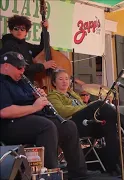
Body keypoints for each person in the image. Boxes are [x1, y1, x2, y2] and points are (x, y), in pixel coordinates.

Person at [0, 51, 97, 179]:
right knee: (47, 126)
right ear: (6, 66)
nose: (23, 70)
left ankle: (79, 173)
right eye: (19, 67)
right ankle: (50, 174)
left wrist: (37, 96)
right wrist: (34, 107)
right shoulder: (2, 83)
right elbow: (4, 111)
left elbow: (32, 101)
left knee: (68, 126)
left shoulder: (21, 81)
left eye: (24, 67)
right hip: (10, 125)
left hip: (31, 119)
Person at [46, 69, 120, 176]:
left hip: (88, 123)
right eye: (60, 79)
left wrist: (86, 108)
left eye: (67, 79)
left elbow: (84, 108)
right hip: (73, 125)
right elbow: (61, 110)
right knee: (99, 103)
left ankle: (113, 164)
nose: (64, 81)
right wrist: (85, 108)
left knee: (110, 125)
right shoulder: (52, 96)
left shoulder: (73, 94)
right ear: (54, 82)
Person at [0, 15, 56, 82]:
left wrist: (45, 30)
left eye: (22, 29)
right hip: (14, 85)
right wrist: (43, 66)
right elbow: (20, 67)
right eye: (16, 28)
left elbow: (42, 48)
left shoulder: (26, 45)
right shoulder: (9, 45)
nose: (19, 31)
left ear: (26, 32)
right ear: (11, 30)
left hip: (26, 85)